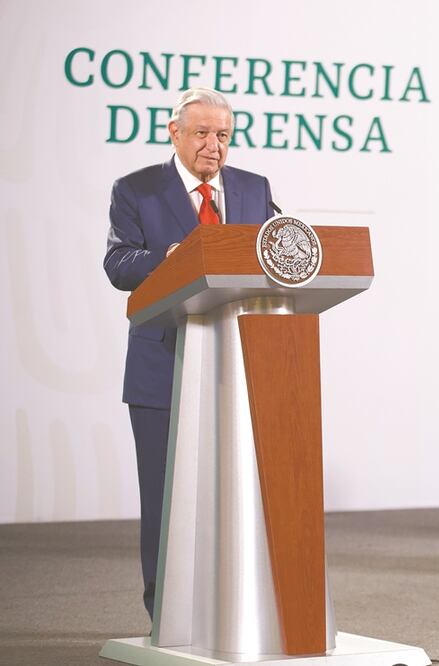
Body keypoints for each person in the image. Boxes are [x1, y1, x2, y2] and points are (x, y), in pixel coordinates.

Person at [103, 88, 275, 618]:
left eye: (222, 135)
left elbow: (269, 252)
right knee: (166, 498)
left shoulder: (253, 188)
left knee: (232, 496)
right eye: (201, 133)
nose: (213, 145)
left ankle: (231, 611)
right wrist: (171, 258)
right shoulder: (136, 189)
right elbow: (118, 264)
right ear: (174, 133)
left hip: (238, 365)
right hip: (163, 364)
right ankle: (167, 615)